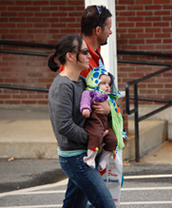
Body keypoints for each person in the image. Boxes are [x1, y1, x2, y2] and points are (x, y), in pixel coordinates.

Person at [48, 34, 116, 208]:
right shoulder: (62, 86)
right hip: (75, 158)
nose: (89, 56)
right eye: (85, 52)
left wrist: (108, 110)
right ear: (70, 56)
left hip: (84, 154)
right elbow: (64, 126)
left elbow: (99, 107)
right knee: (106, 205)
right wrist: (94, 139)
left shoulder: (81, 81)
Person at [80, 60, 124, 171]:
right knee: (96, 135)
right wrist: (85, 108)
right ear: (95, 82)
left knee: (113, 139)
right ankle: (90, 158)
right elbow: (85, 100)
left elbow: (115, 111)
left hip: (105, 123)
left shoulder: (109, 98)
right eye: (103, 83)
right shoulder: (90, 92)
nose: (107, 86)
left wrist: (110, 110)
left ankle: (104, 160)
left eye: (109, 84)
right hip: (94, 121)